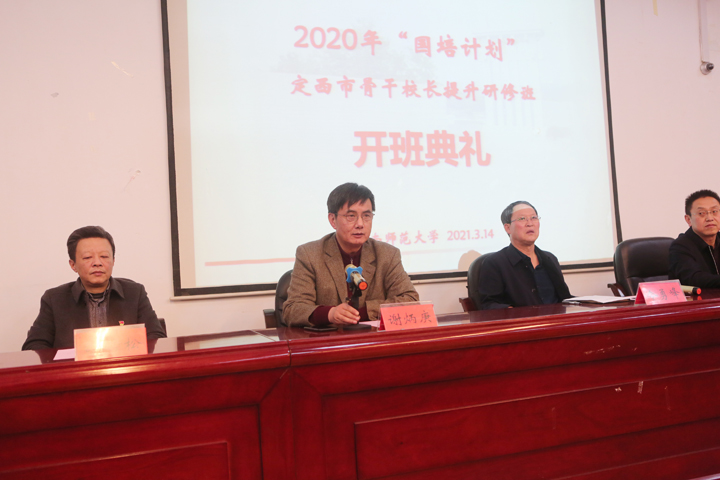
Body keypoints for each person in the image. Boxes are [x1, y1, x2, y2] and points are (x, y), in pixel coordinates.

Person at [283, 183, 419, 327]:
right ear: (333, 220)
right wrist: (330, 314)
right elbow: (292, 309)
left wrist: (362, 312)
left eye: (366, 216)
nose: (360, 224)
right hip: (330, 339)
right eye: (351, 216)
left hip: (373, 337)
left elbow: (410, 300)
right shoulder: (310, 254)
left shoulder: (387, 254)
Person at [22, 226, 166, 350]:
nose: (97, 263)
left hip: (123, 369)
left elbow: (157, 337)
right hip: (75, 372)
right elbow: (34, 346)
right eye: (87, 257)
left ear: (113, 261)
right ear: (73, 265)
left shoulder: (134, 293)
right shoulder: (54, 299)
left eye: (104, 256)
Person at [475, 201, 571, 309]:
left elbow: (565, 299)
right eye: (522, 219)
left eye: (533, 218)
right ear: (508, 228)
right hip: (522, 320)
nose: (530, 223)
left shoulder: (550, 259)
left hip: (557, 318)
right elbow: (489, 305)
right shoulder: (495, 263)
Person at [668, 189, 720, 288]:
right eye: (701, 213)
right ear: (688, 220)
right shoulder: (680, 246)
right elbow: (694, 279)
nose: (710, 218)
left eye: (714, 211)